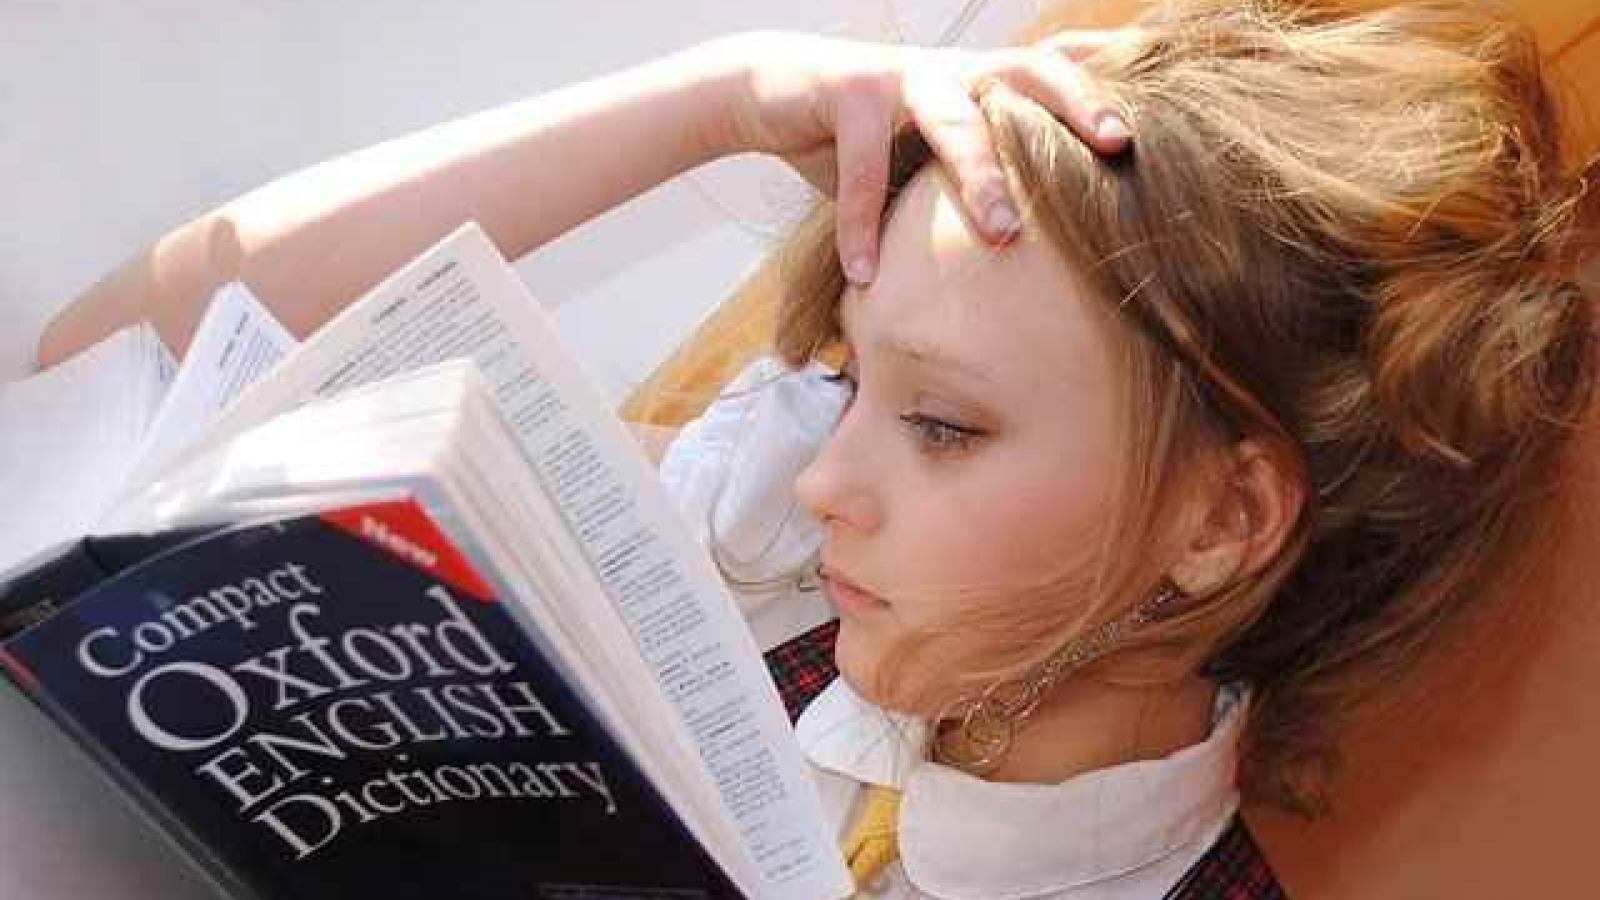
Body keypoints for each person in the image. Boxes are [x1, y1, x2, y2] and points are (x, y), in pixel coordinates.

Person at [36, 1, 1595, 897]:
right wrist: (712, 103)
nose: (830, 475)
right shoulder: (772, 576)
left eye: (941, 424)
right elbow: (104, 376)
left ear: (1219, 520)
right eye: (855, 385)